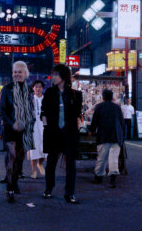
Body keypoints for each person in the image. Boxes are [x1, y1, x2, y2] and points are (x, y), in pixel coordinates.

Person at [41, 64, 83, 204]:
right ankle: (48, 188)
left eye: (56, 75)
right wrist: (44, 120)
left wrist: (78, 124)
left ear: (63, 76)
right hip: (54, 133)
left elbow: (77, 114)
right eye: (53, 74)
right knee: (51, 163)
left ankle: (69, 193)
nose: (53, 77)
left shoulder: (75, 95)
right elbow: (43, 111)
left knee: (71, 164)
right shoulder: (49, 93)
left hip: (69, 134)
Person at [0, 61, 35, 203]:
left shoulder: (28, 90)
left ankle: (14, 182)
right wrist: (13, 123)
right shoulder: (7, 89)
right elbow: (2, 110)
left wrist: (28, 123)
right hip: (10, 128)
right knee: (12, 156)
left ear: (25, 73)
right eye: (15, 72)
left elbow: (31, 110)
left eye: (19, 72)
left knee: (19, 159)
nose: (17, 74)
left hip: (24, 129)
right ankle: (9, 188)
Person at [89, 89, 125, 188]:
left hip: (103, 135)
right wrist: (122, 136)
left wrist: (91, 131)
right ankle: (113, 177)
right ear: (112, 97)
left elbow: (94, 121)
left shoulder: (99, 107)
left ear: (103, 97)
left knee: (102, 157)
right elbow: (122, 123)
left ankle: (99, 176)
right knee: (113, 157)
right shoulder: (117, 107)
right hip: (116, 136)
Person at [29, 80, 47, 179]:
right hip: (34, 126)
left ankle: (40, 164)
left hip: (44, 125)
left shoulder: (46, 99)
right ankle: (34, 171)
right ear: (33, 88)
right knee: (34, 149)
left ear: (42, 88)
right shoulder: (30, 99)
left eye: (40, 87)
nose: (38, 89)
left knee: (44, 148)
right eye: (36, 87)